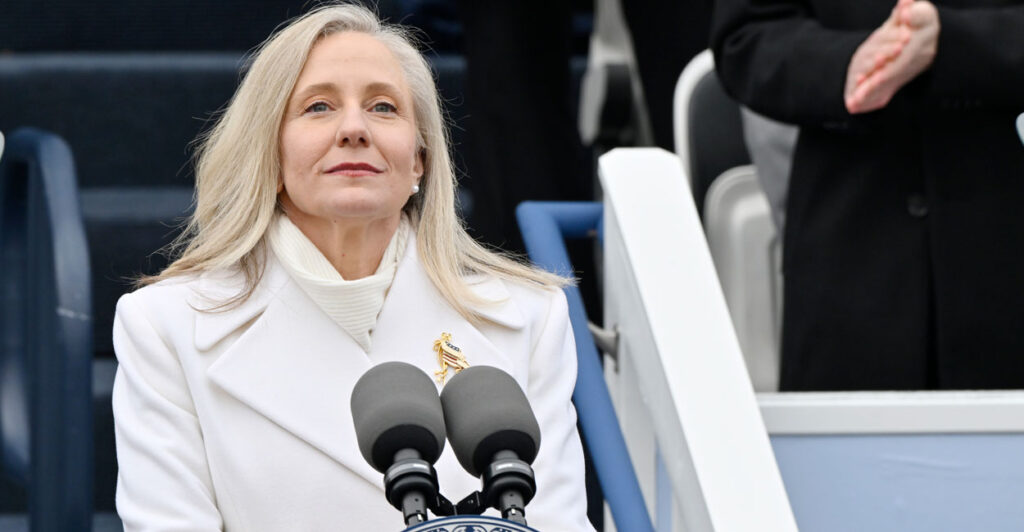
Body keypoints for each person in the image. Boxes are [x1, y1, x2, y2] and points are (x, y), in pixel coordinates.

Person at [111, 4, 595, 530]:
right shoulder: (165, 327)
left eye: (383, 107)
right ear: (271, 155)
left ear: (419, 159)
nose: (354, 129)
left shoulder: (531, 317)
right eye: (318, 107)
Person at [712, 0, 1024, 390]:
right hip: (849, 260)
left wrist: (956, 43)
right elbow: (745, 37)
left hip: (1002, 251)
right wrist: (847, 62)